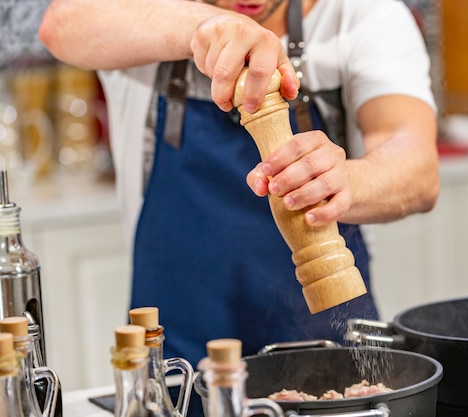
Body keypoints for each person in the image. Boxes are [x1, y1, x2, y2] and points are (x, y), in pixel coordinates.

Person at [39, 0, 439, 366]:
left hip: (328, 352)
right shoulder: (148, 18)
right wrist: (203, 27)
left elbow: (416, 169)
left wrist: (344, 181)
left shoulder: (360, 16)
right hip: (180, 366)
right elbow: (61, 23)